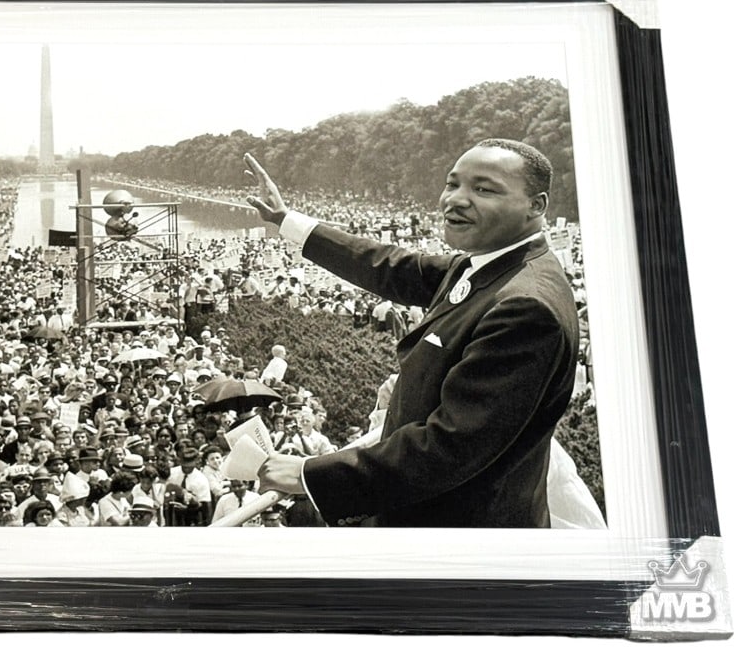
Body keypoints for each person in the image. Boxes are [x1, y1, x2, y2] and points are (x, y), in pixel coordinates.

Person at [245, 140, 579, 528]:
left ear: (536, 206)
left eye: (484, 189)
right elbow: (390, 266)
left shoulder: (525, 307)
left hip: (459, 532)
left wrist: (309, 474)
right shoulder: (490, 264)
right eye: (452, 184)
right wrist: (287, 220)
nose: (456, 199)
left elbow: (450, 448)